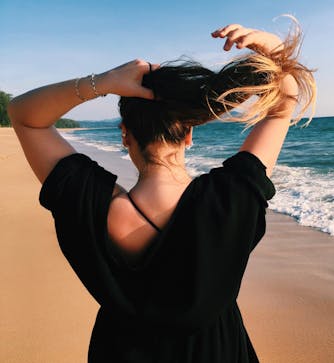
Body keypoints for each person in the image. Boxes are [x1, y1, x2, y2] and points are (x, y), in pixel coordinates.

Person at [8, 21, 315, 362]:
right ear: (188, 135)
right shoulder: (232, 198)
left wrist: (102, 83)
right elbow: (284, 104)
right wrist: (273, 48)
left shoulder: (88, 202)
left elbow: (23, 114)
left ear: (125, 135)